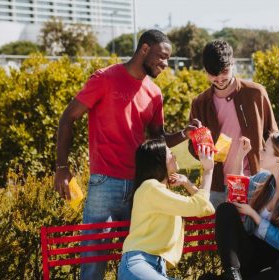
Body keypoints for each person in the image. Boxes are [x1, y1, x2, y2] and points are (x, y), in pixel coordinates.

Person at [54, 30, 199, 280]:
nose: (165, 64)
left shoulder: (154, 93)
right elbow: (68, 117)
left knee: (143, 253)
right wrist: (61, 167)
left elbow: (158, 139)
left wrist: (185, 134)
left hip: (141, 186)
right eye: (162, 57)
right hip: (105, 182)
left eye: (167, 60)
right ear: (144, 49)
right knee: (93, 259)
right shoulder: (105, 78)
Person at [210, 132, 279, 280]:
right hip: (253, 254)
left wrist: (255, 216)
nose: (260, 152)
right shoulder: (263, 180)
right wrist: (240, 155)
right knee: (225, 209)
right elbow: (236, 188)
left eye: (265, 150)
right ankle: (232, 275)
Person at [188, 40, 278, 209]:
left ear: (233, 63)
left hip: (255, 180)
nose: (220, 79)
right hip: (217, 184)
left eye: (224, 72)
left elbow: (273, 135)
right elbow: (192, 147)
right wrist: (202, 150)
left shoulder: (255, 93)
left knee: (256, 231)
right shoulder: (200, 103)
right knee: (222, 233)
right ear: (205, 71)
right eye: (213, 74)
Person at [118, 138, 215, 280]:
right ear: (158, 160)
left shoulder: (161, 193)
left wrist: (187, 183)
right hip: (138, 263)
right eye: (170, 153)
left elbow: (207, 207)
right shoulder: (150, 187)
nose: (174, 156)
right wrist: (208, 170)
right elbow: (200, 205)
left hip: (157, 269)